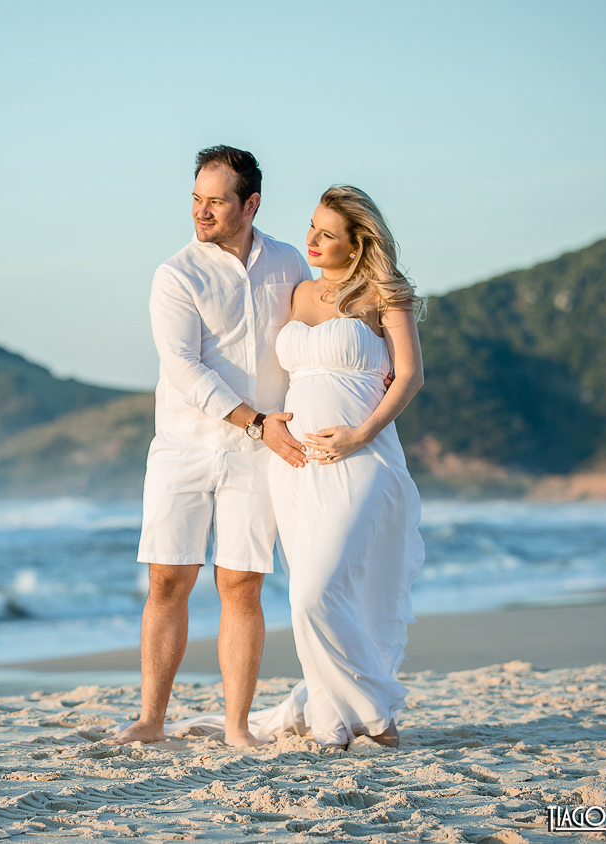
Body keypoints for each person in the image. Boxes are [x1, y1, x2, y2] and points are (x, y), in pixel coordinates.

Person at [110, 145, 312, 747]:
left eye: (216, 201)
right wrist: (256, 420)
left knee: (242, 584)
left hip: (259, 451)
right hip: (184, 445)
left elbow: (312, 334)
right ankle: (150, 721)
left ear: (251, 204)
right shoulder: (176, 273)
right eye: (196, 199)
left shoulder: (288, 263)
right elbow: (183, 367)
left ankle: (235, 727)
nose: (202, 211)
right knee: (169, 579)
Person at [267, 185, 426, 747]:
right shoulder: (299, 295)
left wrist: (361, 432)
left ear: (358, 243)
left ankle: (378, 713)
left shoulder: (385, 294)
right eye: (310, 226)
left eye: (327, 233)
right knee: (308, 594)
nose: (311, 240)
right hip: (295, 468)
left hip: (364, 459)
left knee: (317, 592)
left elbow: (408, 375)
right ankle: (332, 722)